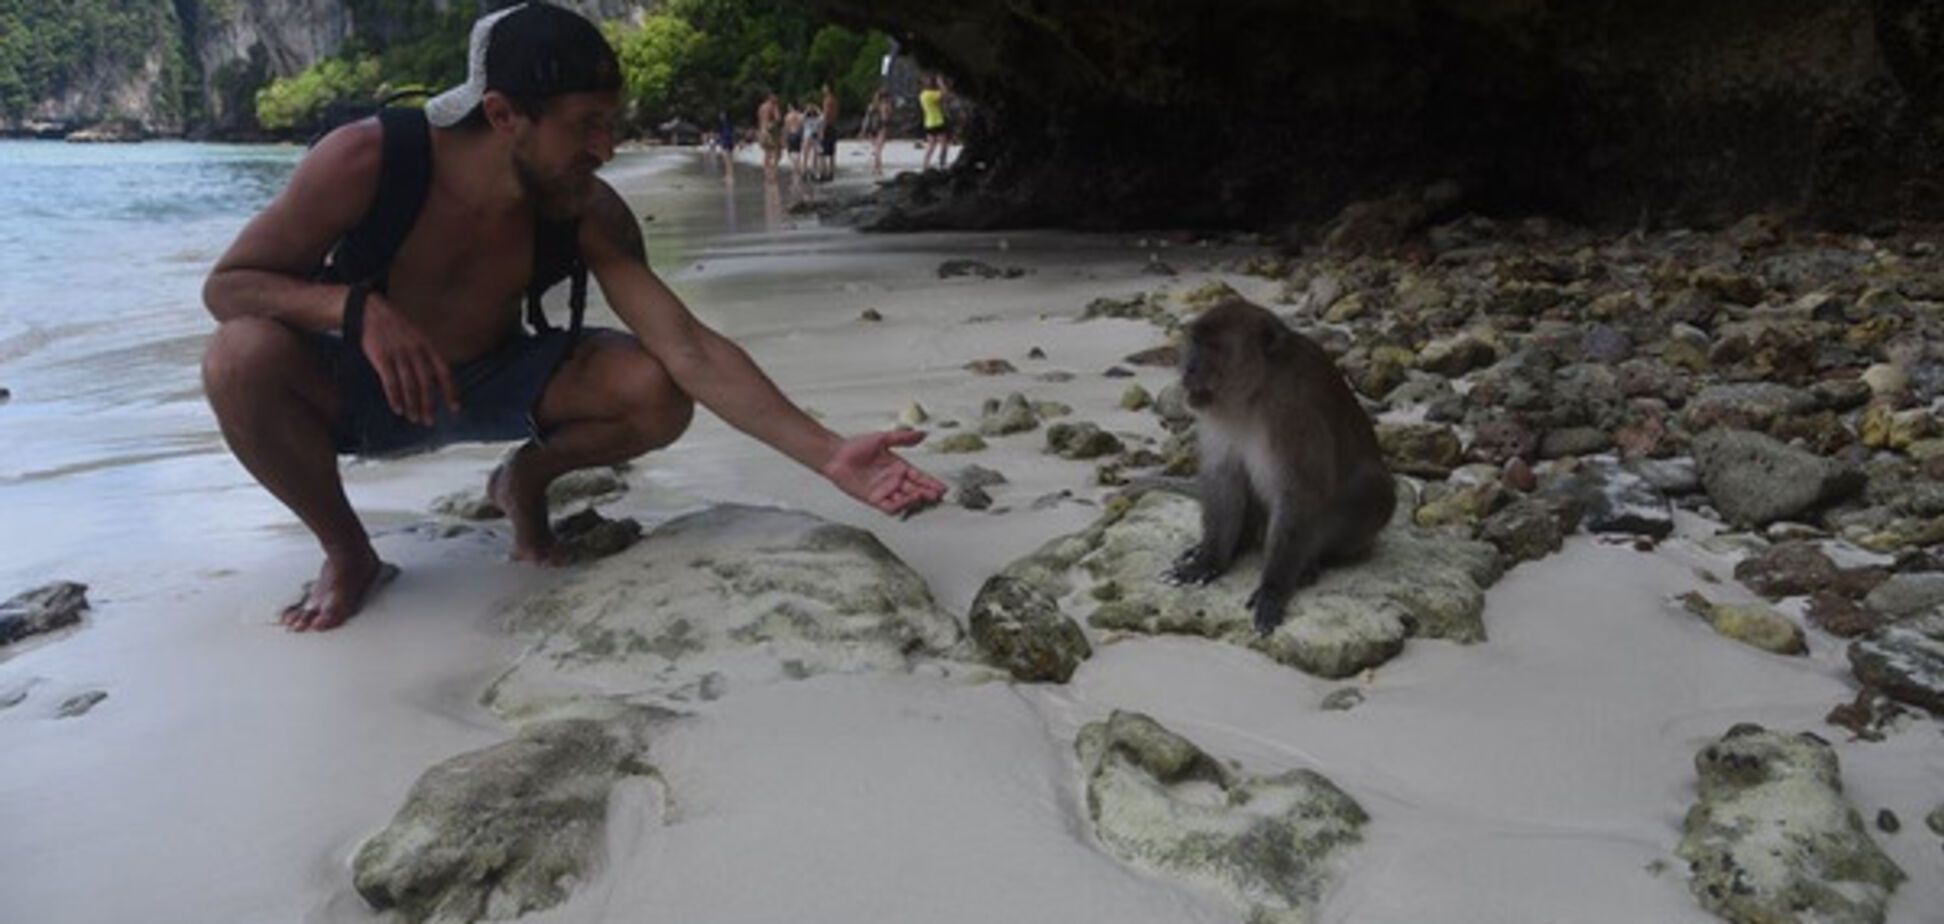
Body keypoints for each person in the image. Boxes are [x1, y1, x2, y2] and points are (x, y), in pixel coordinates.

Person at [199, 3, 946, 633]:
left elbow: (686, 346)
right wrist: (351, 306)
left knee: (652, 388)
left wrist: (828, 453)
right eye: (586, 125)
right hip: (369, 390)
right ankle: (349, 551)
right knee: (238, 358)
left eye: (610, 123)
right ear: (503, 116)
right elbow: (228, 287)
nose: (607, 148)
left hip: (495, 382)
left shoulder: (581, 205)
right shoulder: (366, 160)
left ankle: (523, 482)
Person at [919, 75, 950, 171]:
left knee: (931, 145)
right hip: (938, 121)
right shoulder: (931, 94)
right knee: (944, 144)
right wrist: (941, 83)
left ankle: (925, 163)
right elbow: (945, 93)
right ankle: (942, 162)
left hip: (928, 122)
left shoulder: (922, 94)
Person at [861, 88, 892, 177]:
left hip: (872, 128)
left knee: (876, 149)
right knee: (878, 150)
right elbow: (886, 119)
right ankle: (879, 169)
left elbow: (866, 119)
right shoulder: (885, 105)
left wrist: (863, 130)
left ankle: (876, 168)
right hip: (881, 127)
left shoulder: (871, 106)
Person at [756, 90, 782, 180]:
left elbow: (760, 120)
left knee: (767, 154)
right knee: (777, 154)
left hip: (762, 132)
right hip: (770, 132)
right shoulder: (773, 106)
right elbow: (778, 119)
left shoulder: (761, 107)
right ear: (770, 97)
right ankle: (773, 174)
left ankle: (767, 175)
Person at [818, 83, 840, 182]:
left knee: (821, 152)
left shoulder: (827, 100)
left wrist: (822, 129)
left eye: (824, 87)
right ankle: (831, 173)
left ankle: (823, 173)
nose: (822, 89)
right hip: (833, 125)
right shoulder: (835, 100)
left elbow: (826, 114)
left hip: (827, 126)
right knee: (831, 152)